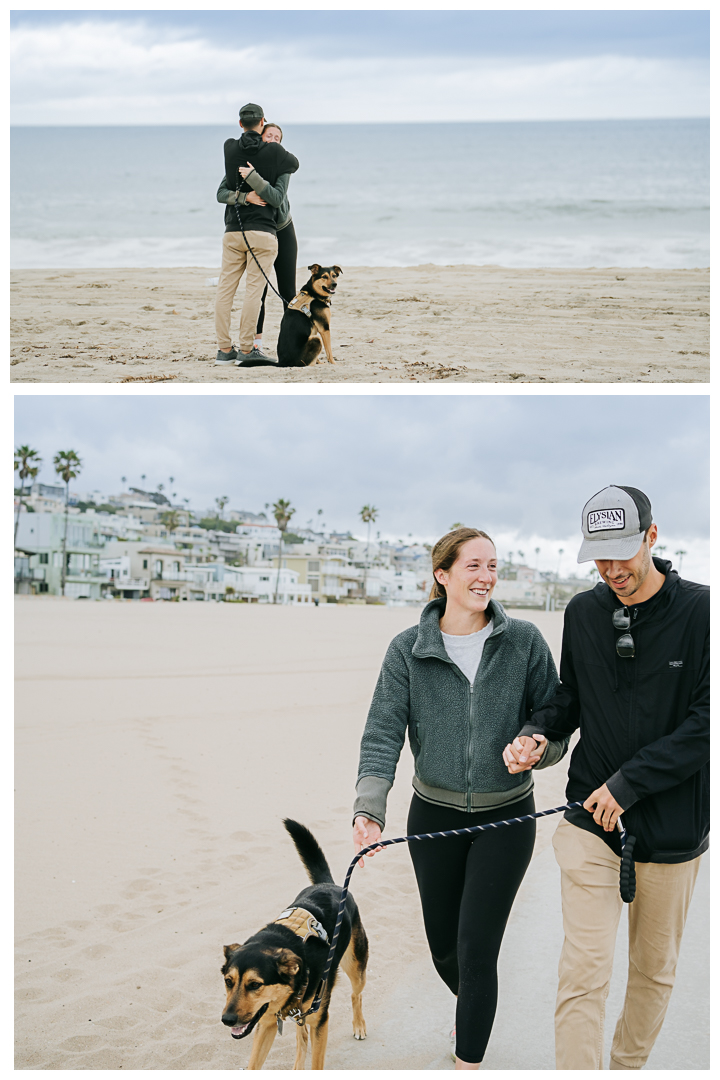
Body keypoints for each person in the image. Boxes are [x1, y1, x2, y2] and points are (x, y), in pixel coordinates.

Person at [504, 485, 709, 1070]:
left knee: (653, 974)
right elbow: (572, 696)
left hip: (671, 831)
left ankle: (625, 1069)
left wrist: (629, 783)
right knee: (583, 972)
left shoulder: (701, 611)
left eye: (623, 552)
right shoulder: (583, 612)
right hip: (589, 822)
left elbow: (706, 723)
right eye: (600, 555)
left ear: (651, 537)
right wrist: (539, 731)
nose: (611, 569)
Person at [353, 527, 568, 1069]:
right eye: (473, 566)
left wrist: (537, 748)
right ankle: (472, 1005)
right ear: (442, 574)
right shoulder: (408, 649)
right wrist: (369, 807)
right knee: (444, 947)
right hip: (433, 819)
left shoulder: (523, 642)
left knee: (476, 947)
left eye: (493, 566)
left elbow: (556, 721)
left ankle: (466, 1057)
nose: (486, 577)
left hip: (508, 818)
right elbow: (382, 732)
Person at [214, 104, 299, 366]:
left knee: (225, 290)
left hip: (232, 232)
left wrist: (246, 185)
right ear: (263, 123)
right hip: (261, 232)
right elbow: (294, 163)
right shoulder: (274, 153)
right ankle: (248, 349)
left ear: (240, 124)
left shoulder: (230, 148)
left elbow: (224, 190)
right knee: (254, 292)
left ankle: (224, 350)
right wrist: (253, 187)